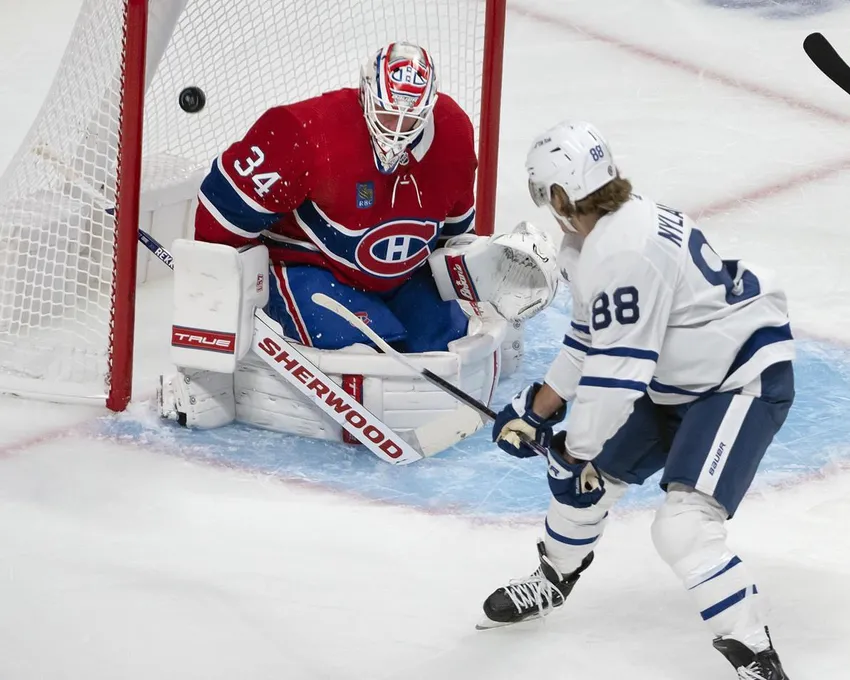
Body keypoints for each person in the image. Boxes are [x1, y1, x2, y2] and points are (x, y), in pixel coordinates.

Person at [483, 121, 795, 680]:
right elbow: (587, 340)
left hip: (739, 378)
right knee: (591, 481)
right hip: (681, 377)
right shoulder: (596, 239)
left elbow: (617, 376)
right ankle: (554, 578)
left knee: (682, 527)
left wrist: (575, 450)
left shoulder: (622, 250)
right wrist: (538, 410)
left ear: (559, 194)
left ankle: (755, 654)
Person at [193, 41, 476, 353]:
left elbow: (455, 236)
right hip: (310, 266)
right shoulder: (307, 132)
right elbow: (221, 211)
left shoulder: (453, 132)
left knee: (452, 346)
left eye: (409, 116)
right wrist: (214, 293)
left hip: (404, 277)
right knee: (366, 360)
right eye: (387, 111)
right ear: (366, 92)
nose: (397, 129)